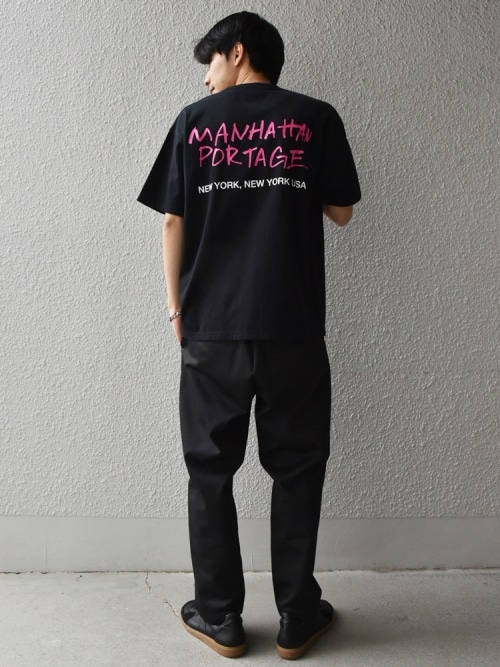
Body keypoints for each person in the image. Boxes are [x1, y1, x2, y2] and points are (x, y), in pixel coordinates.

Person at [138, 11, 361, 660]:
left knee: (210, 470)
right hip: (292, 325)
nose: (206, 79)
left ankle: (221, 618)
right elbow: (342, 211)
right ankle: (297, 617)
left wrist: (175, 308)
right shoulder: (315, 118)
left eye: (210, 62)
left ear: (238, 52)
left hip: (213, 327)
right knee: (298, 468)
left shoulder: (194, 123)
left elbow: (172, 221)